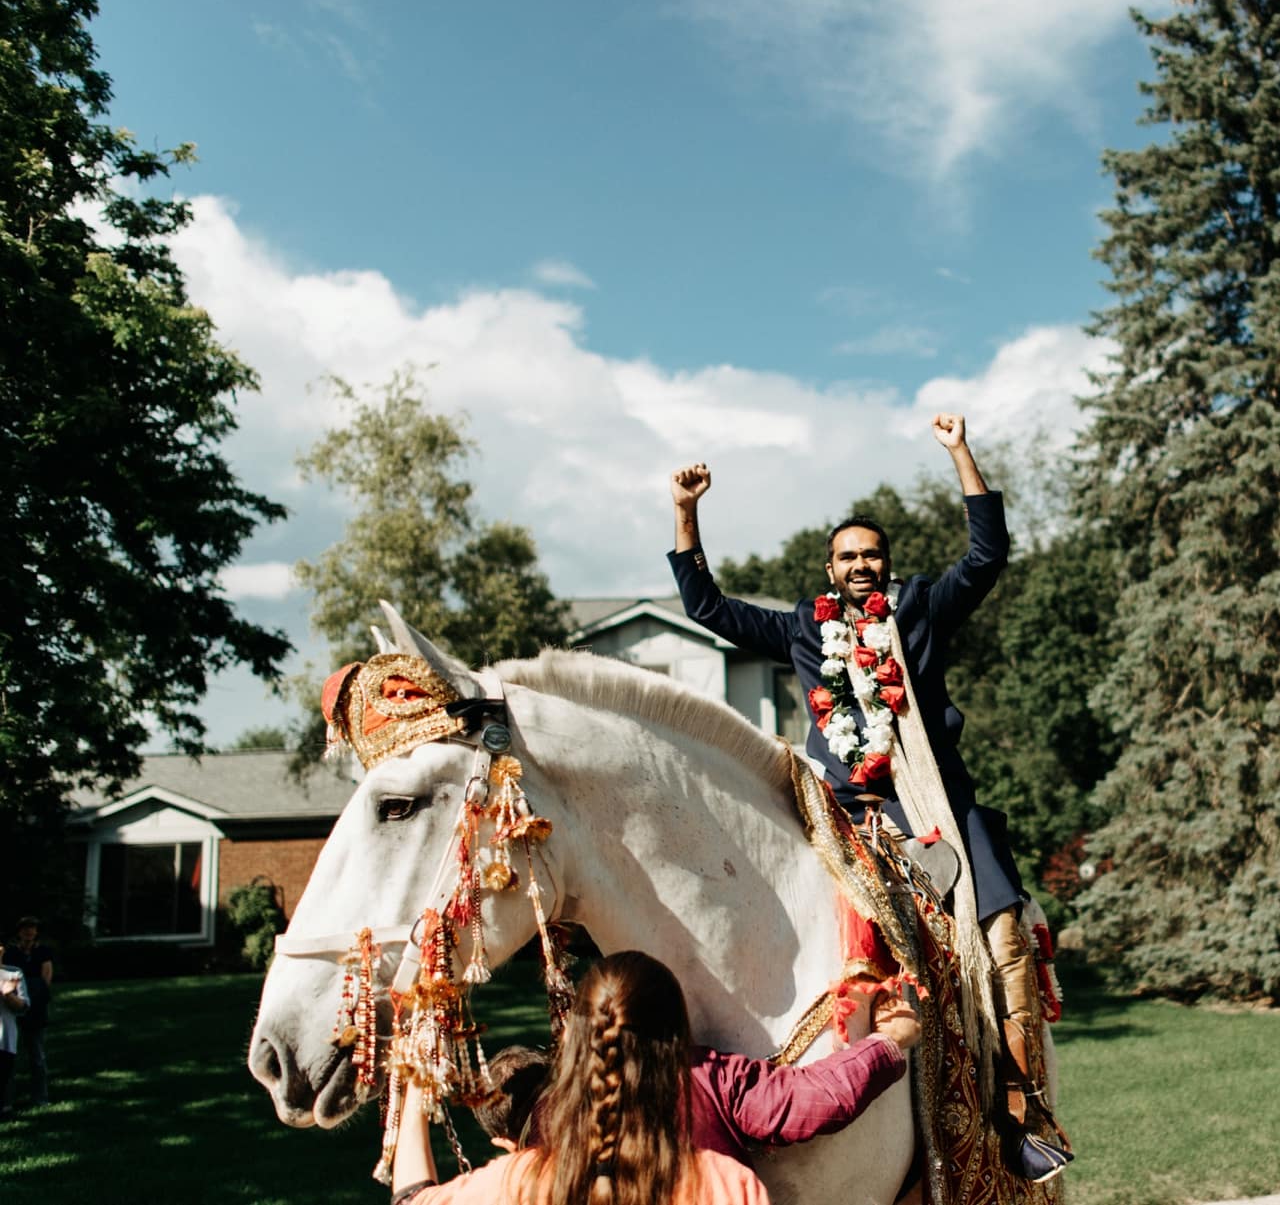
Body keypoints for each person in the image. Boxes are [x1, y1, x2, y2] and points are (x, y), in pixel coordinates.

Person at [667, 413, 1071, 1181]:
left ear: (886, 564)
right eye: (848, 555)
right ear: (830, 569)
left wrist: (960, 452)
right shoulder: (799, 629)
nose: (862, 564)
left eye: (872, 553)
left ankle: (1024, 1113)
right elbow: (709, 610)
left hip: (938, 809)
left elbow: (987, 556)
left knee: (1006, 937)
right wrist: (686, 513)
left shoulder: (916, 608)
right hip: (846, 819)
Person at [392, 951, 769, 1205]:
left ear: (571, 1042)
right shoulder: (728, 1186)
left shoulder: (519, 1183)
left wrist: (415, 1086)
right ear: (678, 1060)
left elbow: (412, 1199)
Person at [471, 994, 921, 1168]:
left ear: (503, 1145)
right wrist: (890, 1041)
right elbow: (804, 1101)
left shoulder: (508, 1187)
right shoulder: (685, 1074)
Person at [3, 917, 52, 1109]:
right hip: (12, 1002)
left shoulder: (43, 952)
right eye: (25, 929)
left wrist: (39, 997)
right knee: (8, 1055)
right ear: (19, 932)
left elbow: (46, 975)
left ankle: (40, 1097)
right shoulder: (11, 953)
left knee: (37, 1054)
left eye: (32, 929)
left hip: (36, 1002)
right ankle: (7, 1100)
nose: (28, 932)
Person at [0, 959, 25, 1120]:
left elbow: (22, 1007)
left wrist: (8, 994)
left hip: (4, 1038)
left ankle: (5, 1109)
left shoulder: (13, 973)